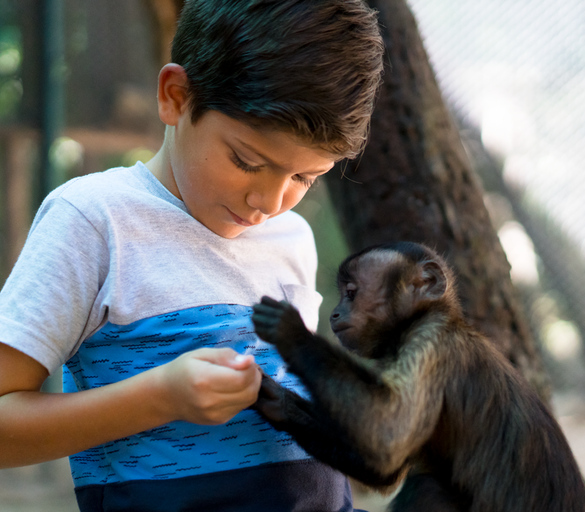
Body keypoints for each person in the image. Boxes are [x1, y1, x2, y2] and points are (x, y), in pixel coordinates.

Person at [0, 1, 383, 510]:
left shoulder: (292, 237)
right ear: (176, 96)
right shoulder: (94, 220)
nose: (268, 203)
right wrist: (160, 396)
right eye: (246, 161)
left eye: (303, 178)